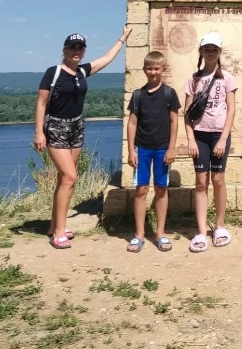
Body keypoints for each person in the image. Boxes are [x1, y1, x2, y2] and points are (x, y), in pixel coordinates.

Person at [34, 27, 131, 249]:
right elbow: (40, 103)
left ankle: (54, 224)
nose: (76, 51)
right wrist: (39, 132)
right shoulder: (54, 72)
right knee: (70, 177)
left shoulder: (82, 72)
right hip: (56, 127)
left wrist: (122, 39)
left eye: (80, 47)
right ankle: (59, 232)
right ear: (64, 50)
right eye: (72, 47)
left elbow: (107, 58)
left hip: (77, 126)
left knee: (64, 179)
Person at [183, 31, 237, 252]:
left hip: (218, 135)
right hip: (200, 136)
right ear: (202, 52)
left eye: (214, 49)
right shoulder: (193, 80)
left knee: (218, 180)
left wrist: (223, 139)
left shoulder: (227, 78)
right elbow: (187, 113)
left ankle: (221, 226)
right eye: (207, 49)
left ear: (220, 52)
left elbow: (232, 109)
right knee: (201, 182)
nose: (211, 53)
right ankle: (201, 231)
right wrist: (190, 139)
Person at [125, 50, 181, 253]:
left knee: (161, 190)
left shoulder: (169, 94)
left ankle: (160, 233)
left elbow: (174, 121)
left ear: (163, 70)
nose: (153, 72)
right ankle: (139, 235)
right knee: (141, 190)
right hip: (142, 148)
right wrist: (131, 150)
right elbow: (132, 123)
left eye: (157, 68)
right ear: (144, 70)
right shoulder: (138, 95)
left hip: (162, 149)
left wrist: (172, 148)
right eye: (149, 68)